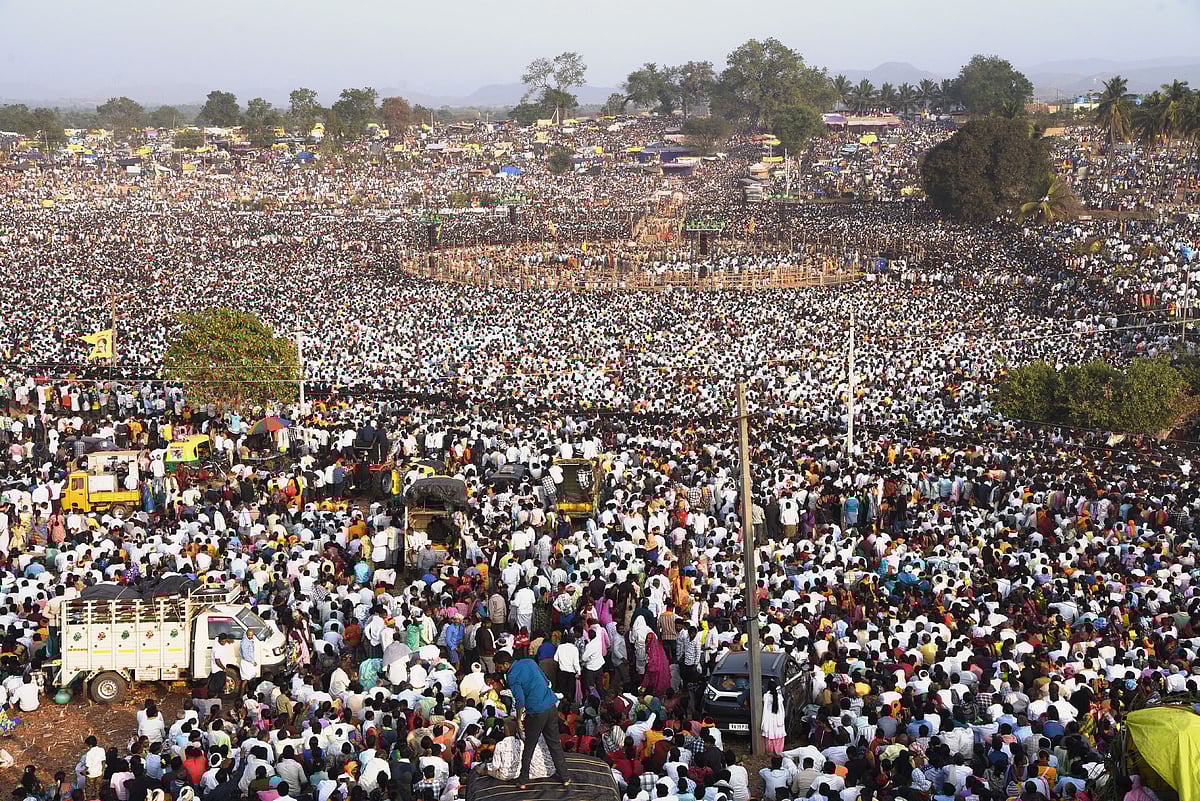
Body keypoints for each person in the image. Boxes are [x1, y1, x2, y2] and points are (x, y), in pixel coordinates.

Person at [494, 651, 572, 789]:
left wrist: (518, 720)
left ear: (506, 664)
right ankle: (565, 777)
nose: (498, 670)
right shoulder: (529, 662)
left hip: (536, 712)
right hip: (550, 706)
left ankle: (523, 780)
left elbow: (520, 700)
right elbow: (546, 681)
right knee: (554, 743)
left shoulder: (512, 676)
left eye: (499, 667)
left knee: (529, 746)